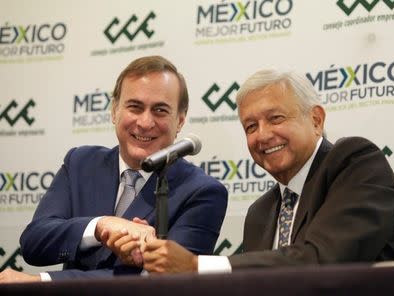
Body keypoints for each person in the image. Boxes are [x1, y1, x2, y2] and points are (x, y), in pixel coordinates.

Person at [113, 69, 394, 273]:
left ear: (316, 119)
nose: (262, 136)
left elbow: (321, 262)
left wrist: (194, 265)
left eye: (275, 118)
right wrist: (153, 258)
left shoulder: (354, 163)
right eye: (251, 127)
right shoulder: (260, 213)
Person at [0, 56, 227, 282]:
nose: (145, 122)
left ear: (180, 121)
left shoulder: (203, 192)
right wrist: (101, 226)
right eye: (135, 107)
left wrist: (42, 282)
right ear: (114, 111)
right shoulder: (80, 163)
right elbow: (34, 242)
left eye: (160, 110)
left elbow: (161, 280)